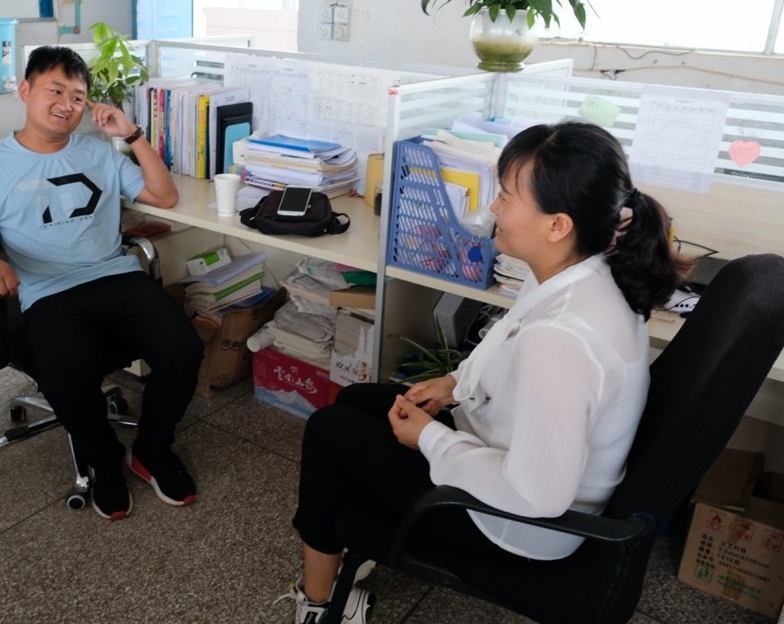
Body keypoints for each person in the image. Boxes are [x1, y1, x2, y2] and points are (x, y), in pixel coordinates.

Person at [281, 121, 690, 623]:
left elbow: (537, 496)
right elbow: (506, 341)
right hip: (513, 454)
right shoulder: (581, 271)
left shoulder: (562, 338)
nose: (493, 207)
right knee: (356, 401)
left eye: (507, 197)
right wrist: (456, 384)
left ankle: (319, 605)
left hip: (521, 524)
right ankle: (337, 554)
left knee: (328, 430)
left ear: (557, 225)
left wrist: (430, 439)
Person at [0, 45, 204, 521]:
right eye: (56, 90)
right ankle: (104, 460)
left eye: (78, 96)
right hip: (48, 292)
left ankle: (151, 449)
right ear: (25, 90)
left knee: (184, 349)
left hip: (114, 276)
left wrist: (131, 134)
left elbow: (164, 196)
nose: (67, 104)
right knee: (66, 374)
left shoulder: (98, 152)